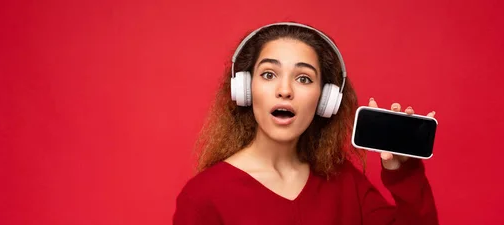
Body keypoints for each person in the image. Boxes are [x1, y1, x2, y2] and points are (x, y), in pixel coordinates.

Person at [173, 22, 439, 225]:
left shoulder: (345, 183)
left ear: (326, 100)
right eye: (268, 74)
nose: (285, 90)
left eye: (304, 79)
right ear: (245, 89)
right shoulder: (203, 197)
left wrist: (404, 173)